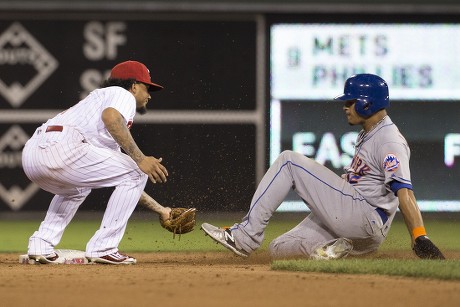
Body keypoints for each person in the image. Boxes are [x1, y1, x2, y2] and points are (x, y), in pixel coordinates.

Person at [201, 73, 445, 260]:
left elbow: (404, 191)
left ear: (366, 104)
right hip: (360, 232)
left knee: (288, 161)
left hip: (364, 217)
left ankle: (244, 237)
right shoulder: (372, 133)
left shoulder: (389, 140)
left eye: (350, 102)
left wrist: (419, 235)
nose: (345, 107)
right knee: (278, 249)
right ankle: (328, 252)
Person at [22, 60, 170, 264]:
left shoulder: (98, 102)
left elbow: (125, 180)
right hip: (64, 147)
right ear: (134, 86)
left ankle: (41, 245)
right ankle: (104, 248)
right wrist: (141, 159)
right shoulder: (122, 94)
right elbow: (111, 117)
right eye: (147, 88)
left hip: (32, 154)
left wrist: (160, 209)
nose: (149, 95)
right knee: (136, 170)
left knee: (78, 188)